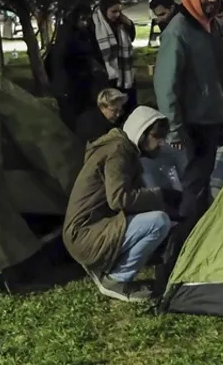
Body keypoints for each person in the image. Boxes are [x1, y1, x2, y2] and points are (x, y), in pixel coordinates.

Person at [153, 0, 223, 230]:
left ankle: (213, 232)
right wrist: (174, 130)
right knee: (195, 187)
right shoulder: (178, 32)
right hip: (197, 125)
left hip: (222, 117)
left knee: (218, 182)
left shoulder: (213, 26)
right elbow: (165, 84)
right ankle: (183, 246)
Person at [62, 106, 176, 303]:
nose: (161, 142)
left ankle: (104, 267)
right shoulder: (118, 151)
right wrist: (162, 195)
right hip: (84, 235)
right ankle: (116, 280)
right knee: (159, 222)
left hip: (82, 232)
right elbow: (119, 198)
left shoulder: (121, 148)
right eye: (157, 136)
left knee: (160, 217)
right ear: (141, 132)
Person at [48, 5, 106, 128]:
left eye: (87, 19)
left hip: (83, 80)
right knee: (71, 114)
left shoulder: (86, 32)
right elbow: (61, 59)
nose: (85, 23)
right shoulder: (67, 34)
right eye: (82, 19)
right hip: (69, 82)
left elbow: (94, 50)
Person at [94, 0, 137, 109]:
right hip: (106, 71)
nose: (117, 15)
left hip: (123, 69)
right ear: (105, 10)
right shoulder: (95, 24)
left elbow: (131, 38)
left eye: (119, 11)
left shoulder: (121, 23)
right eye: (114, 11)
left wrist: (129, 25)